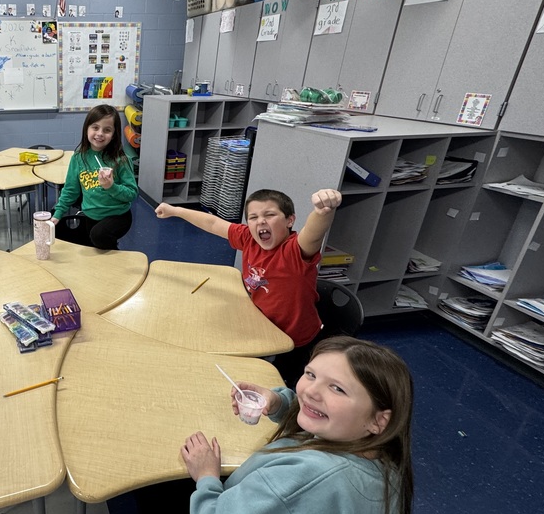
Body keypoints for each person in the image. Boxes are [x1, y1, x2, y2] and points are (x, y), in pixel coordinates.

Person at [125, 336, 414, 514]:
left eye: (337, 389)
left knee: (153, 489)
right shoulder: (385, 456)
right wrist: (281, 404)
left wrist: (207, 478)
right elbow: (323, 421)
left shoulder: (302, 485)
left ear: (378, 420)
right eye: (311, 375)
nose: (311, 392)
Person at [155, 188, 342, 385]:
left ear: (290, 220)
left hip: (294, 342)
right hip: (261, 329)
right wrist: (175, 210)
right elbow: (212, 223)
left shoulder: (294, 250)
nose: (261, 221)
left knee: (278, 386)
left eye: (269, 215)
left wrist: (323, 212)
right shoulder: (249, 239)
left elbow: (313, 233)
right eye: (253, 217)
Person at [51, 104, 137, 250]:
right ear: (87, 129)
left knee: (99, 237)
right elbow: (70, 190)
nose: (100, 133)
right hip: (91, 215)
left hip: (118, 216)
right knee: (93, 249)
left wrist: (111, 187)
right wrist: (57, 213)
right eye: (95, 127)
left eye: (107, 130)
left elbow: (132, 194)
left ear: (114, 134)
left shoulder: (121, 160)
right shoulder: (78, 158)